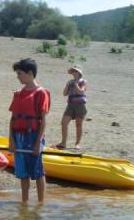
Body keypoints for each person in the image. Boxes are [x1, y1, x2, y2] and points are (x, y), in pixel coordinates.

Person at [8, 58, 50, 203]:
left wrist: (38, 143)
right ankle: (24, 203)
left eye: (20, 73)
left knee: (37, 171)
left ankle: (40, 204)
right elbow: (12, 119)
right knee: (22, 172)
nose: (17, 76)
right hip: (18, 136)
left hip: (33, 137)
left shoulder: (41, 93)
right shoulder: (18, 94)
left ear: (30, 73)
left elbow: (43, 120)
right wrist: (11, 140)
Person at [54, 65, 87, 150]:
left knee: (78, 124)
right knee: (64, 123)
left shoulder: (82, 81)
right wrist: (67, 85)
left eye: (75, 71)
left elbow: (81, 92)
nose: (73, 73)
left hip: (80, 106)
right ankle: (63, 143)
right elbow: (65, 93)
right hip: (70, 105)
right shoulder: (70, 82)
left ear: (79, 73)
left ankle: (77, 143)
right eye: (72, 71)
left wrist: (76, 85)